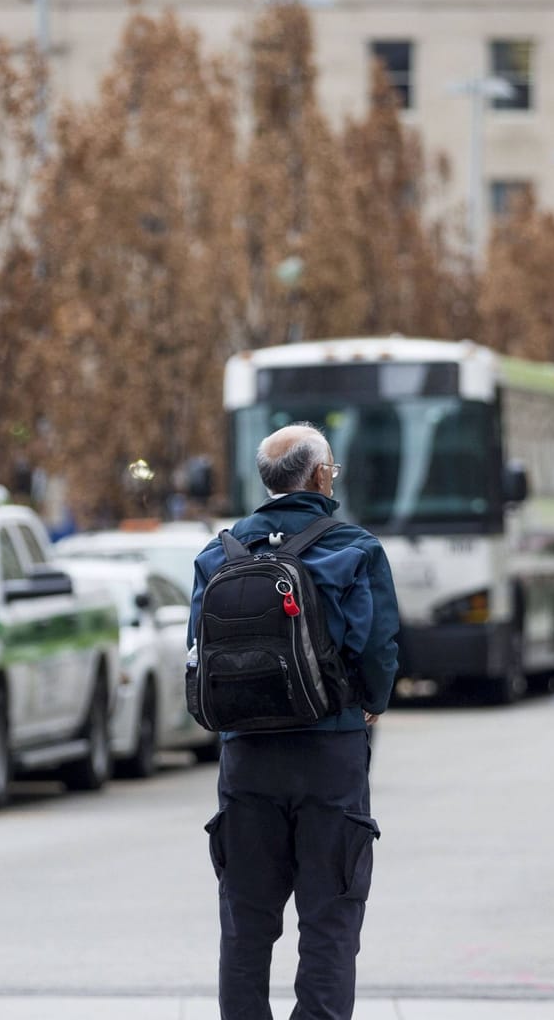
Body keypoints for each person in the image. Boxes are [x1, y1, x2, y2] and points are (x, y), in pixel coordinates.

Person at [189, 423, 400, 1020]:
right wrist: (369, 704)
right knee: (330, 919)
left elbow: (198, 657)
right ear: (320, 475)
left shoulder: (218, 554)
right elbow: (379, 648)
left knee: (245, 927)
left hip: (247, 756)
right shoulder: (354, 547)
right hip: (329, 752)